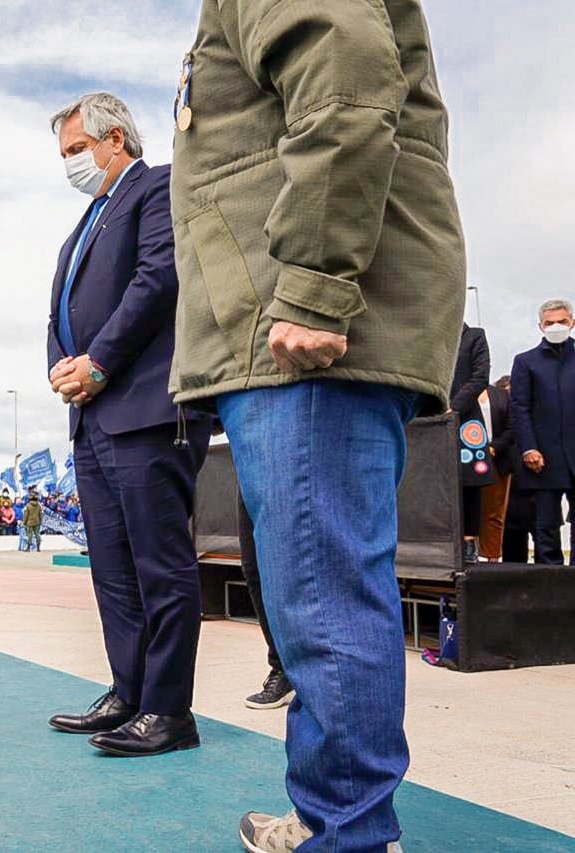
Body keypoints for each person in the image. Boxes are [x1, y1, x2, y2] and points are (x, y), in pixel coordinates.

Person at [169, 2, 467, 849]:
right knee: (320, 592)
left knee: (323, 594)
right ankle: (339, 817)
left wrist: (311, 280)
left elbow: (344, 84)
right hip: (286, 322)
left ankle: (350, 834)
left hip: (300, 326)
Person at [45, 92, 212, 759]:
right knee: (112, 568)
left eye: (76, 150)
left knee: (160, 566)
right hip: (92, 420)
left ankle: (169, 710)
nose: (70, 165)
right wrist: (63, 368)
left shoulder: (158, 188)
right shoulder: (84, 223)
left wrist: (100, 362)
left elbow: (157, 278)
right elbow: (62, 309)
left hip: (146, 408)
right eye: (64, 155)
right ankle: (130, 689)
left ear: (116, 138)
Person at [509, 299, 575, 566]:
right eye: (550, 323)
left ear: (572, 322)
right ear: (540, 326)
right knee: (546, 526)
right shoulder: (526, 362)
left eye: (561, 321)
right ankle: (552, 582)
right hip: (542, 458)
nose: (556, 326)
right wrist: (528, 448)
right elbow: (519, 408)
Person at [237, 498, 293, 710]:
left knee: (291, 568)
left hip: (297, 472)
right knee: (254, 567)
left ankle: (312, 669)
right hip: (250, 469)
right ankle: (283, 669)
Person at [450, 324, 492, 564]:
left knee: (470, 482)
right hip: (428, 418)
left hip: (466, 420)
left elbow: (480, 377)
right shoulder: (430, 332)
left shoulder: (474, 336)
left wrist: (453, 407)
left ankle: (469, 543)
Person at [477, 376, 515, 561]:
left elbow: (511, 427)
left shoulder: (502, 396)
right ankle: (468, 558)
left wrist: (494, 447)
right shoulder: (458, 395)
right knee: (466, 512)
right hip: (465, 460)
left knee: (494, 513)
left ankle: (492, 559)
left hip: (496, 459)